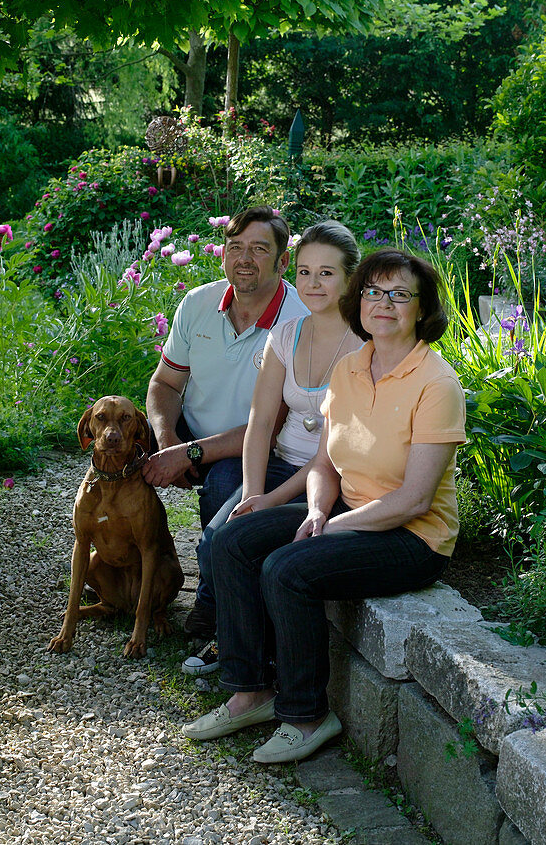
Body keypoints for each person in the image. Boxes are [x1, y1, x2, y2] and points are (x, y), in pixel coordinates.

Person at [182, 249, 466, 764]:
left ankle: (307, 714)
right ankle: (250, 692)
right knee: (232, 542)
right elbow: (326, 464)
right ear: (358, 302)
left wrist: (333, 528)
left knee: (287, 570)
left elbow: (413, 499)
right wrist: (316, 513)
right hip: (347, 512)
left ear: (422, 310)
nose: (384, 304)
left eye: (399, 294)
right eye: (373, 293)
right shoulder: (352, 368)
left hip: (411, 537)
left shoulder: (436, 384)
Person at [181, 221, 362, 676]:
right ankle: (236, 644)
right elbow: (262, 424)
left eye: (326, 273)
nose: (313, 284)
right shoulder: (285, 336)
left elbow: (332, 454)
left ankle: (246, 654)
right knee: (216, 541)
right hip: (281, 464)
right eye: (305, 273)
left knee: (248, 544)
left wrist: (270, 502)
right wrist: (251, 495)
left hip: (329, 480)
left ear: (350, 280)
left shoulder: (363, 348)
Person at [142, 205, 307, 642]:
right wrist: (167, 440)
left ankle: (212, 604)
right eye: (236, 247)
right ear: (223, 255)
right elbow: (164, 384)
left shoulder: (300, 319)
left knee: (223, 483)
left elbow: (270, 426)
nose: (245, 258)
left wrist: (191, 454)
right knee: (117, 447)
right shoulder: (197, 303)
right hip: (190, 435)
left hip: (262, 450)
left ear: (283, 260)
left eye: (259, 248)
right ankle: (129, 580)